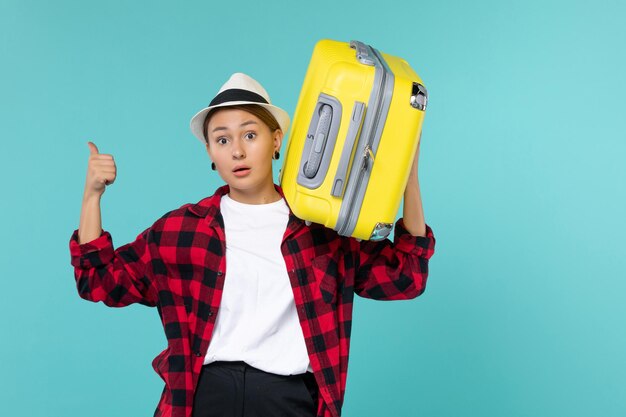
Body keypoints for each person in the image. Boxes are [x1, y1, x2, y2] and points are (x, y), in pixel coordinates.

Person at [69, 72, 436, 417]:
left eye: (250, 134)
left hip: (289, 402)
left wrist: (409, 178)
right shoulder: (183, 230)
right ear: (211, 152)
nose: (237, 152)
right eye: (222, 139)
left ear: (276, 140)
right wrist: (91, 198)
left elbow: (406, 275)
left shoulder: (320, 228)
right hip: (204, 399)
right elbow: (99, 280)